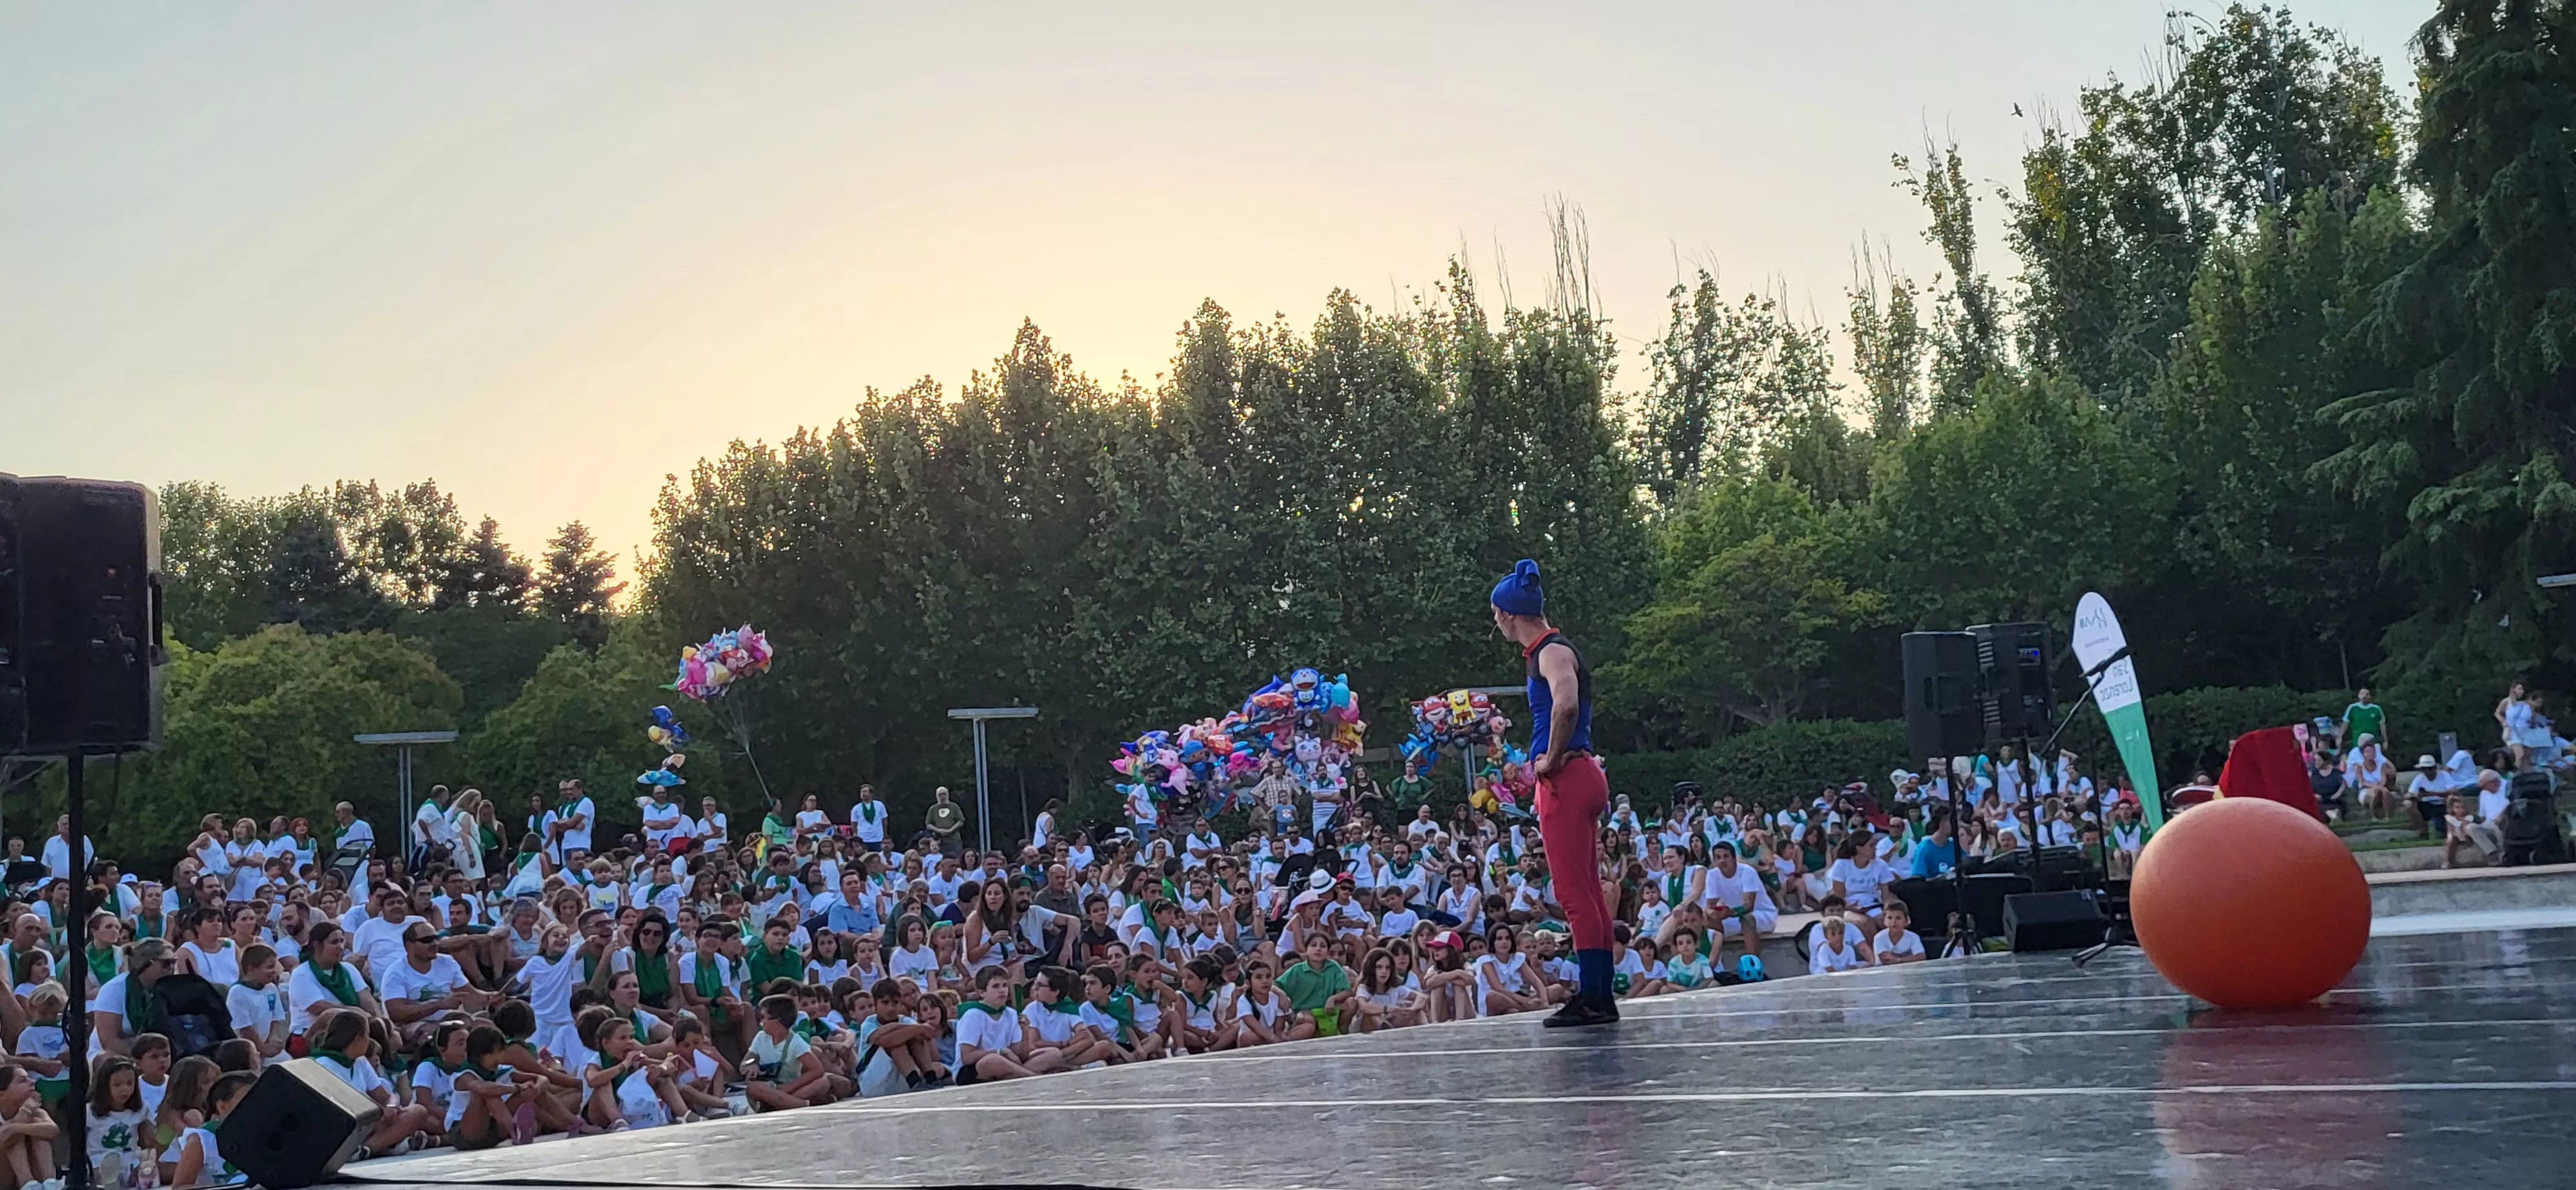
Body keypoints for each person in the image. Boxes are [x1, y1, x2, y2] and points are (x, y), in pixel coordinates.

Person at [1488, 559, 1617, 1028]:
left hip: (1567, 778)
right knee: (1587, 892)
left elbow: (1566, 704)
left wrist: (1551, 759)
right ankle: (1599, 993)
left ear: (1507, 615)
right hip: (1581, 775)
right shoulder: (1552, 650)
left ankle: (1595, 998)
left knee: (1574, 894)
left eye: (1496, 614)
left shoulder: (1550, 652)